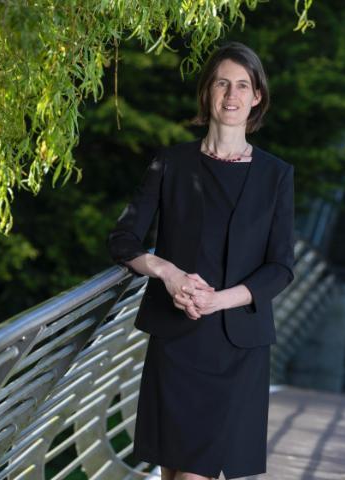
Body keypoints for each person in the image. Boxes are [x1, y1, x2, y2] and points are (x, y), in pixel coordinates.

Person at [107, 41, 295, 480]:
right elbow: (123, 238)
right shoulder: (171, 163)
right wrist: (167, 272)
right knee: (174, 473)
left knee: (195, 475)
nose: (231, 95)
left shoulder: (276, 175)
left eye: (242, 86)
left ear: (257, 97)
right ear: (207, 93)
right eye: (222, 83)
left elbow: (281, 266)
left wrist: (219, 300)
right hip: (177, 343)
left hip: (237, 346)